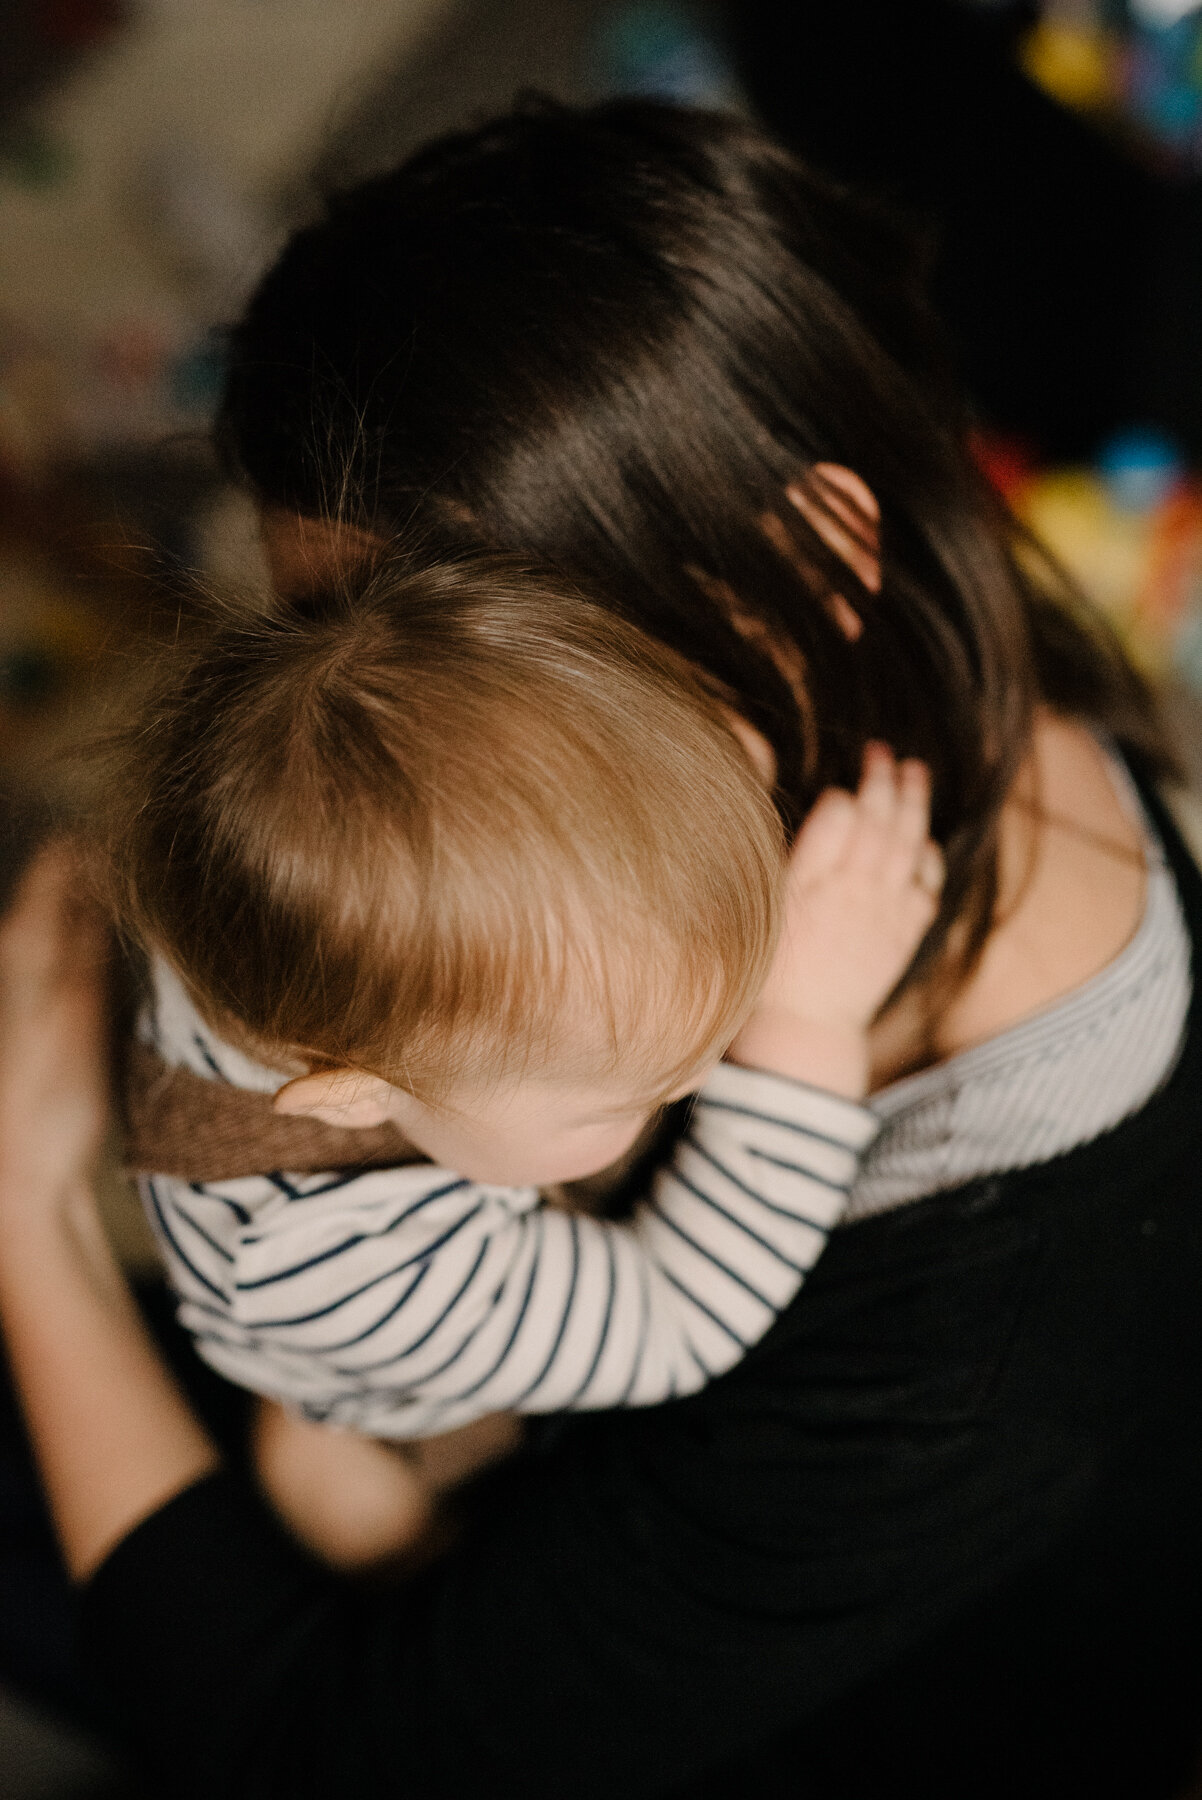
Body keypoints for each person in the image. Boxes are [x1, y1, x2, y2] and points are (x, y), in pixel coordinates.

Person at [0, 99, 1199, 1800]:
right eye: (311, 632)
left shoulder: (968, 1366)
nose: (342, 730)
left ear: (804, 564)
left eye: (405, 643)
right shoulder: (903, 665)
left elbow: (316, 1749)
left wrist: (27, 1210)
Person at [105, 548, 939, 1562]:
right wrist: (804, 1029)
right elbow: (673, 1320)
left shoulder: (263, 897)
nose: (699, 1074)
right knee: (379, 1501)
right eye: (621, 1099)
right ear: (354, 1096)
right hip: (398, 1391)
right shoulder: (338, 1267)